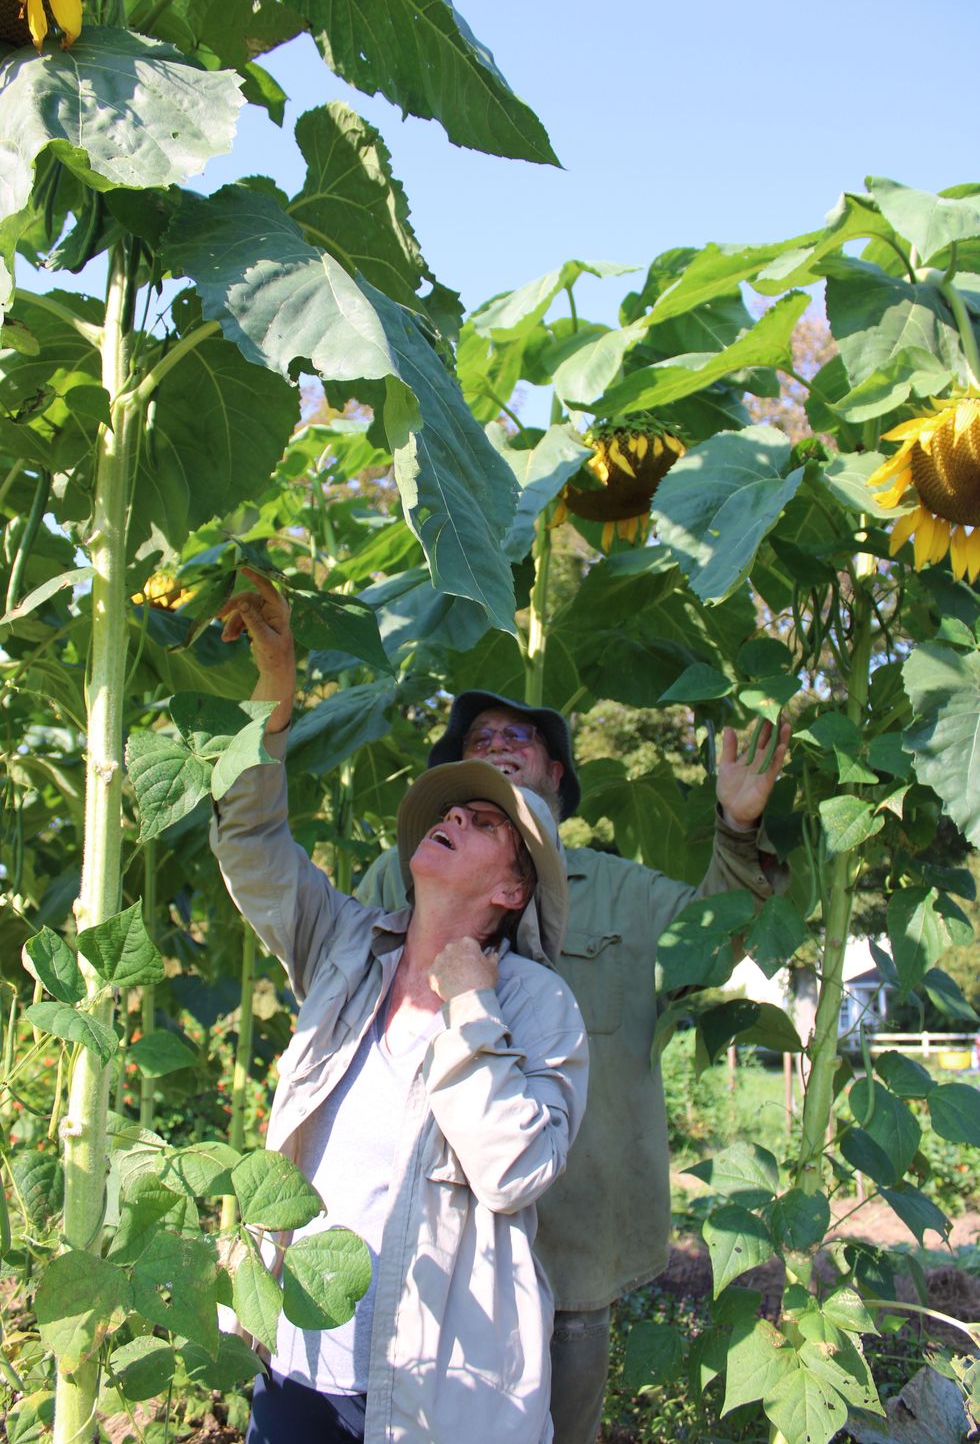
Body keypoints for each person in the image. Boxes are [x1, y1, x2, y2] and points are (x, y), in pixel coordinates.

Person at [211, 572, 588, 1444]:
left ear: (512, 886)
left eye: (486, 822)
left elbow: (515, 1171)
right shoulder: (343, 943)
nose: (455, 811)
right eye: (453, 806)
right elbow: (249, 840)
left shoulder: (540, 1008)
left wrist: (471, 1012)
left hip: (431, 1394)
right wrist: (273, 693)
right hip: (295, 1355)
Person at [357, 690, 789, 1444]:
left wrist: (738, 829)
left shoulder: (622, 889)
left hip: (570, 1245)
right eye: (479, 738)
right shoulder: (403, 875)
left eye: (518, 736)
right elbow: (340, 987)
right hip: (416, 1242)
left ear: (556, 773)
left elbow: (714, 938)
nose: (496, 744)